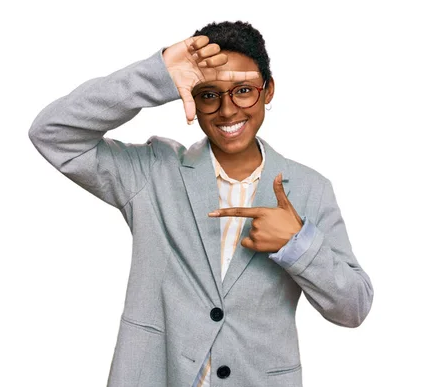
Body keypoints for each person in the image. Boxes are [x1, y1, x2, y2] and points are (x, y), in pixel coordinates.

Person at [29, 20, 373, 387]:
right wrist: (156, 74)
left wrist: (297, 243)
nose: (227, 111)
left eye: (243, 90)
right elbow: (53, 133)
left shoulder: (310, 189)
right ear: (191, 95)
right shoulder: (153, 172)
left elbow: (353, 307)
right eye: (209, 94)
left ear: (267, 90)